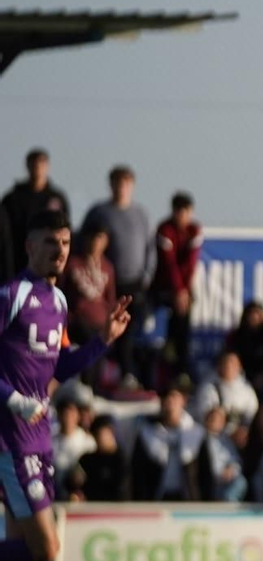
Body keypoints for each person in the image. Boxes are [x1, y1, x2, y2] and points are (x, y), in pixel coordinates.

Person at [0, 211, 130, 561]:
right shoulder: (12, 296)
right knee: (45, 546)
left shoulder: (58, 301)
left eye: (65, 242)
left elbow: (60, 366)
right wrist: (14, 400)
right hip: (11, 441)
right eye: (50, 242)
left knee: (20, 548)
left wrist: (103, 340)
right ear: (29, 246)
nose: (59, 250)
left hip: (39, 437)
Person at [80, 166, 155, 388]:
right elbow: (84, 241)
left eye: (126, 183)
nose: (121, 187)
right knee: (103, 331)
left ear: (132, 186)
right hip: (105, 283)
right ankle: (96, 378)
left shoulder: (141, 214)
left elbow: (150, 248)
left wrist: (147, 275)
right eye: (117, 183)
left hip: (134, 283)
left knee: (129, 333)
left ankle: (127, 375)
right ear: (110, 184)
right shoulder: (99, 212)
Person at [153, 192, 203, 380]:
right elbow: (169, 264)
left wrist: (184, 291)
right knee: (168, 329)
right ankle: (166, 368)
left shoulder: (194, 230)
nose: (182, 216)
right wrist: (178, 290)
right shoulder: (165, 229)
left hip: (184, 290)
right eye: (179, 211)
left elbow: (190, 263)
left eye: (186, 211)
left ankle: (182, 371)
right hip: (164, 288)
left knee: (183, 327)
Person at [1, 148, 70, 282]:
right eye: (34, 164)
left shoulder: (57, 198)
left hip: (49, 263)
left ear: (47, 166)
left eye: (41, 164)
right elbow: (5, 238)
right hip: (18, 262)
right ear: (27, 166)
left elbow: (65, 232)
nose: (38, 168)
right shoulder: (13, 199)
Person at [132, 384, 204, 501]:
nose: (170, 401)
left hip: (188, 500)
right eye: (166, 397)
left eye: (174, 397)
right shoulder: (147, 433)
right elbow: (138, 472)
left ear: (183, 401)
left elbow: (204, 473)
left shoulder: (196, 433)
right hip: (156, 499)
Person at [61, 224, 117, 353]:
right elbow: (60, 292)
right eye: (92, 237)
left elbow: (110, 300)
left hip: (100, 324)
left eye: (100, 238)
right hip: (78, 324)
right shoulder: (72, 263)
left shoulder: (108, 267)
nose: (96, 242)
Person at [76, 415, 130, 502]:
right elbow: (73, 484)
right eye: (96, 434)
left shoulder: (121, 460)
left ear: (111, 433)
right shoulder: (87, 460)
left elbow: (121, 492)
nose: (100, 438)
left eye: (102, 434)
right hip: (89, 509)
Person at [227, 301, 263, 384]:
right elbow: (230, 355)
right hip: (240, 374)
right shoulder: (237, 336)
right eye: (251, 314)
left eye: (257, 314)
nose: (254, 317)